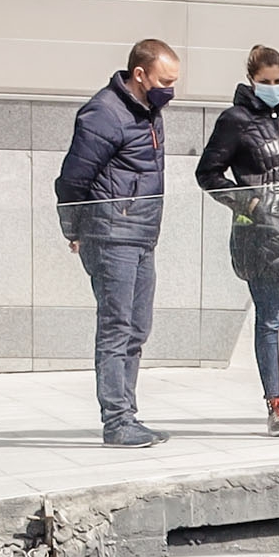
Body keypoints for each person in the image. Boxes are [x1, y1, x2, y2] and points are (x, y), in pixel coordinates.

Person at [195, 44, 279, 436]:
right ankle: (276, 407)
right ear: (252, 80)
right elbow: (208, 173)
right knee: (269, 321)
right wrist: (248, 201)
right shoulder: (235, 120)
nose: (273, 87)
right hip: (259, 234)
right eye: (265, 81)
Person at [53, 36, 178, 448]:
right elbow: (73, 178)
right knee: (116, 327)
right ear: (139, 74)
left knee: (137, 328)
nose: (169, 90)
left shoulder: (148, 111)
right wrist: (75, 228)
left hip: (142, 235)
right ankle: (116, 420)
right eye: (163, 81)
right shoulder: (103, 113)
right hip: (111, 235)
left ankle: (129, 415)